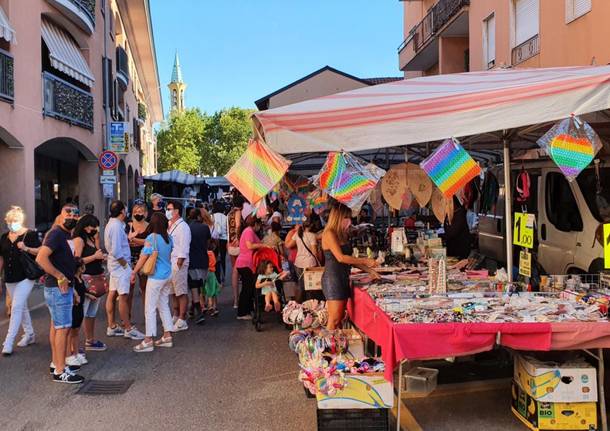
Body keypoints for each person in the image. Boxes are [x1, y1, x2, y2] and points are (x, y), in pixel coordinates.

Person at [36, 203, 84, 383]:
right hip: (58, 288)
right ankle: (60, 370)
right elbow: (41, 257)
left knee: (57, 326)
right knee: (62, 328)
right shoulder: (56, 234)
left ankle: (57, 363)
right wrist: (59, 276)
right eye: (68, 213)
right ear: (60, 215)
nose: (71, 217)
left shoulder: (64, 235)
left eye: (75, 214)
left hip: (62, 288)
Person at [321, 202, 379, 330]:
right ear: (338, 217)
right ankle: (324, 347)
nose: (349, 221)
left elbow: (351, 260)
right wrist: (365, 261)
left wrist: (370, 270)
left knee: (340, 317)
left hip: (343, 277)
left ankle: (336, 346)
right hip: (333, 279)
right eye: (346, 218)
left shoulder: (342, 234)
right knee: (334, 319)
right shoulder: (329, 233)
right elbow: (341, 258)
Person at [131, 213, 175, 352]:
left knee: (149, 307)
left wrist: (134, 271)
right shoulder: (169, 238)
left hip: (156, 276)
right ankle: (167, 335)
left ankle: (148, 340)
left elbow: (144, 257)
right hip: (168, 274)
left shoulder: (152, 238)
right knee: (163, 304)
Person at [0, 206, 41, 355]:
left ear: (21, 220)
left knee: (16, 307)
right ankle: (30, 334)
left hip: (26, 276)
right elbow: (2, 258)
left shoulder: (30, 235)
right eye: (10, 221)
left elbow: (40, 251)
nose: (12, 223)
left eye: (15, 221)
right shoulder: (4, 237)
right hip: (10, 277)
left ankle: (8, 342)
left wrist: (26, 248)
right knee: (21, 306)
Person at [104, 200, 144, 340]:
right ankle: (128, 328)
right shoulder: (116, 226)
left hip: (115, 266)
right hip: (120, 266)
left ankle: (112, 326)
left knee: (113, 294)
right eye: (125, 209)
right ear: (122, 211)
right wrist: (126, 266)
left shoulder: (113, 224)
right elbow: (116, 250)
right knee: (123, 296)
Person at [72, 215, 107, 352]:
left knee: (91, 314)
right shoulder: (79, 240)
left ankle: (90, 340)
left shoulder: (91, 238)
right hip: (86, 279)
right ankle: (74, 345)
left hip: (96, 277)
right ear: (86, 227)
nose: (96, 229)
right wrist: (94, 257)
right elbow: (77, 261)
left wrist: (101, 257)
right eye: (94, 227)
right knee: (81, 314)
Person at [235, 216, 268, 320]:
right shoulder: (249, 231)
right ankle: (242, 313)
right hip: (245, 264)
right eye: (259, 225)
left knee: (248, 288)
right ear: (256, 224)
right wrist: (262, 245)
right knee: (247, 289)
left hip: (247, 264)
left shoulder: (249, 231)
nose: (259, 227)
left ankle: (247, 310)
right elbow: (249, 246)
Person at [166, 200, 191, 331]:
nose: (168, 211)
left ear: (176, 211)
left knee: (181, 291)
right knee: (173, 292)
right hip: (170, 262)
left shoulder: (183, 227)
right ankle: (175, 314)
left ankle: (182, 318)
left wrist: (180, 262)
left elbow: (184, 246)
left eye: (169, 209)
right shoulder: (169, 225)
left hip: (179, 262)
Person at [285, 218, 319, 303]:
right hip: (309, 264)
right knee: (310, 286)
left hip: (298, 263)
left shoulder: (297, 234)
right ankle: (310, 305)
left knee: (300, 285)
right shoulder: (312, 235)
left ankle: (298, 305)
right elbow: (314, 252)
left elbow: (288, 245)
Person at [186, 208, 210, 325]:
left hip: (191, 261)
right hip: (203, 260)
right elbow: (209, 243)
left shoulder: (187, 228)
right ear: (199, 216)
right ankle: (196, 308)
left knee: (194, 286)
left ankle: (198, 310)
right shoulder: (205, 228)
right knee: (200, 285)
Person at [127, 202, 149, 317]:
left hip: (144, 258)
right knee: (129, 287)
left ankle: (147, 314)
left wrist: (133, 240)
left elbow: (149, 242)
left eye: (140, 211)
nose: (137, 214)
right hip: (129, 257)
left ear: (145, 213)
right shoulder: (128, 225)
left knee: (144, 286)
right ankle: (127, 314)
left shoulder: (149, 226)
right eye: (135, 212)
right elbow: (125, 241)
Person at [66, 259, 86, 367]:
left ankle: (76, 352)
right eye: (83, 265)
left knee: (76, 331)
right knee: (71, 331)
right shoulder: (73, 279)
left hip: (80, 308)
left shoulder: (80, 278)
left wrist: (90, 295)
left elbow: (84, 290)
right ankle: (71, 352)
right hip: (74, 307)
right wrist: (75, 295)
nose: (84, 267)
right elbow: (71, 289)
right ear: (79, 267)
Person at [227, 195, 244, 309]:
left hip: (230, 244)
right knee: (237, 271)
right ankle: (237, 300)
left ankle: (235, 299)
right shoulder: (238, 213)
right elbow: (238, 226)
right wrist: (238, 239)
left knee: (235, 270)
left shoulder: (229, 213)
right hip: (237, 244)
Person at [211, 201, 228, 284]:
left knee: (214, 258)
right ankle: (223, 277)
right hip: (224, 240)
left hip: (214, 240)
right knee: (223, 258)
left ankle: (216, 277)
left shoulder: (212, 216)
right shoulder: (226, 217)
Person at [203, 243, 220, 317]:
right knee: (213, 291)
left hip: (204, 272)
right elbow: (214, 262)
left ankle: (206, 306)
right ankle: (214, 307)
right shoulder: (211, 253)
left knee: (206, 291)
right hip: (212, 273)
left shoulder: (204, 253)